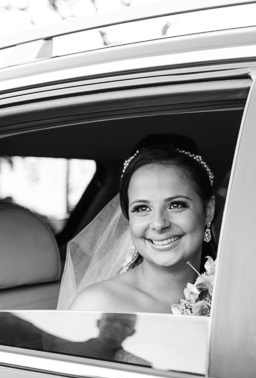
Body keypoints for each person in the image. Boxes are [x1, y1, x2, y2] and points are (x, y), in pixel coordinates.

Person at [68, 134, 216, 314]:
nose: (159, 223)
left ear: (208, 211)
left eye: (176, 205)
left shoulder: (238, 293)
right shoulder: (96, 306)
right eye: (142, 208)